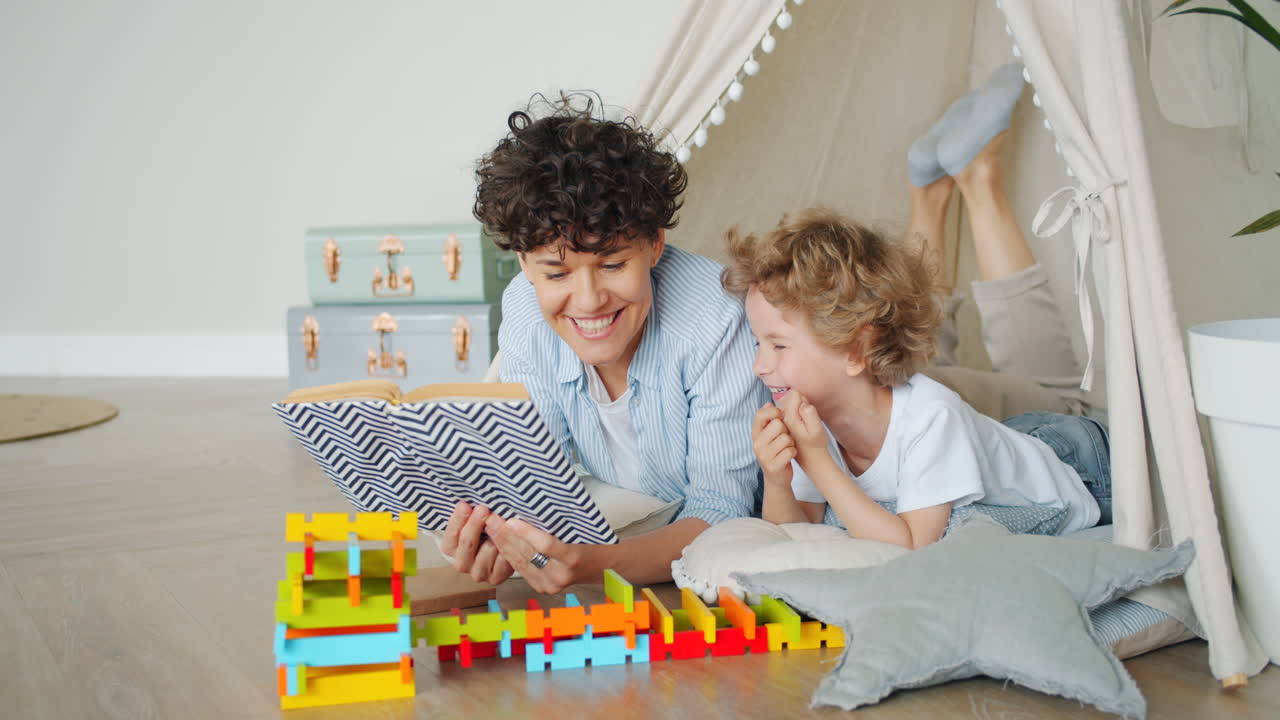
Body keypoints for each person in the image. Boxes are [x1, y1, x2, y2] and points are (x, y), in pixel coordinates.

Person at [721, 66, 1111, 550]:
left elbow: (911, 549)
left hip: (1085, 467)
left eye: (777, 344)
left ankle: (954, 184)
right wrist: (778, 479)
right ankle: (950, 183)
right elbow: (793, 535)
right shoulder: (819, 419)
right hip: (987, 438)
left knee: (1053, 409)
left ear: (855, 350)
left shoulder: (929, 418)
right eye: (760, 342)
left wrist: (819, 463)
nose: (759, 365)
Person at [439, 97, 769, 593]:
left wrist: (595, 566)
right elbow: (531, 482)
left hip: (730, 524)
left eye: (614, 265)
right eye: (556, 272)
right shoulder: (527, 312)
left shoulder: (714, 318)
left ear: (655, 243)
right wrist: (495, 534)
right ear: (525, 264)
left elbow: (722, 514)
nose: (590, 302)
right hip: (637, 508)